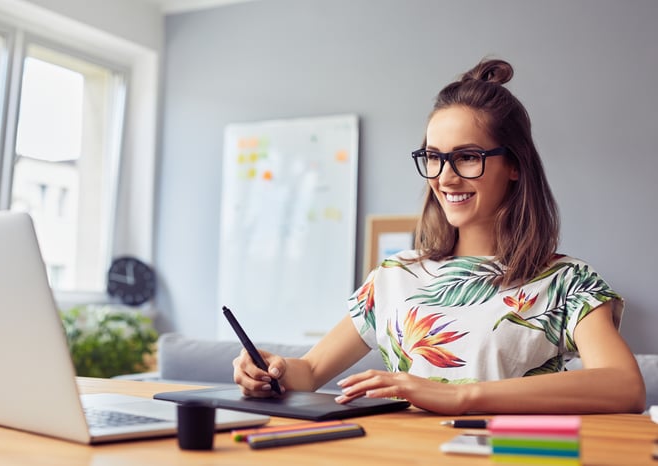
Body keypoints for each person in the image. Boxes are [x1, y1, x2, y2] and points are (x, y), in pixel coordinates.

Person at [232, 58, 646, 415]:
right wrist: (273, 370)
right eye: (434, 157)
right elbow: (310, 372)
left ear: (515, 165)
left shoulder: (568, 282)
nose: (446, 177)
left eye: (467, 157)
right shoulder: (394, 276)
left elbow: (624, 386)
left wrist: (462, 396)